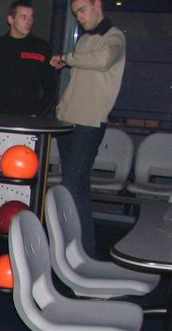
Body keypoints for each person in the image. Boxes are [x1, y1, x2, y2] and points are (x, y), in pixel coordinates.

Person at [50, 0, 125, 255]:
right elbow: (76, 83)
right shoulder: (83, 41)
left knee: (74, 184)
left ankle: (84, 250)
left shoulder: (114, 37)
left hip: (90, 123)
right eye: (75, 13)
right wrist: (60, 110)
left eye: (82, 10)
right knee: (73, 185)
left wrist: (67, 58)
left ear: (97, 5)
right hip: (68, 120)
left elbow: (103, 60)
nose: (79, 17)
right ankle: (75, 247)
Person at [0, 1, 56, 117]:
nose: (29, 21)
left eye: (31, 17)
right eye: (23, 17)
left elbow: (51, 87)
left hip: (29, 118)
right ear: (10, 19)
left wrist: (37, 114)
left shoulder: (41, 48)